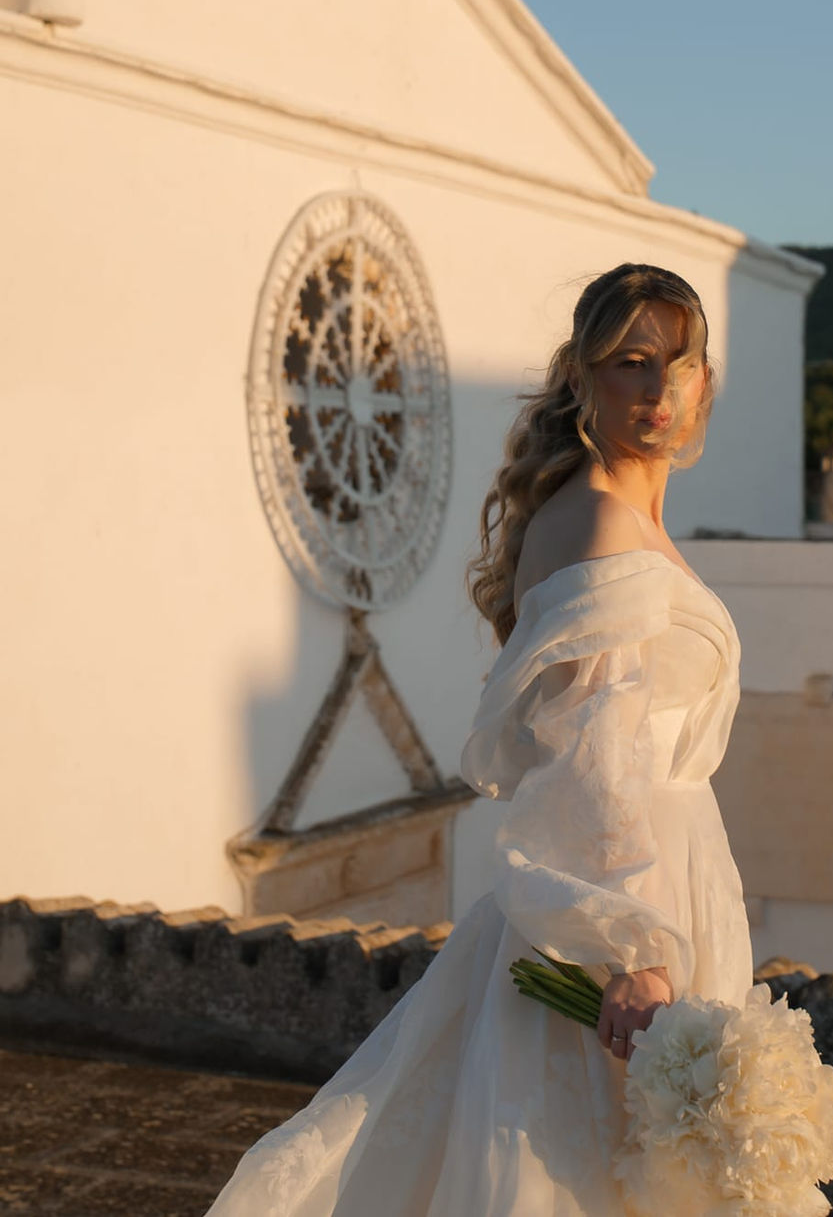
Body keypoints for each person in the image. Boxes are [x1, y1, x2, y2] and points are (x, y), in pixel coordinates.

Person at [204, 262, 754, 1217]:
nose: (658, 387)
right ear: (583, 375)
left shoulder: (619, 518)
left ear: (705, 380)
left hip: (674, 883)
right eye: (631, 361)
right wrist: (631, 950)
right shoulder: (598, 523)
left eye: (679, 362)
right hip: (630, 904)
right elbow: (592, 756)